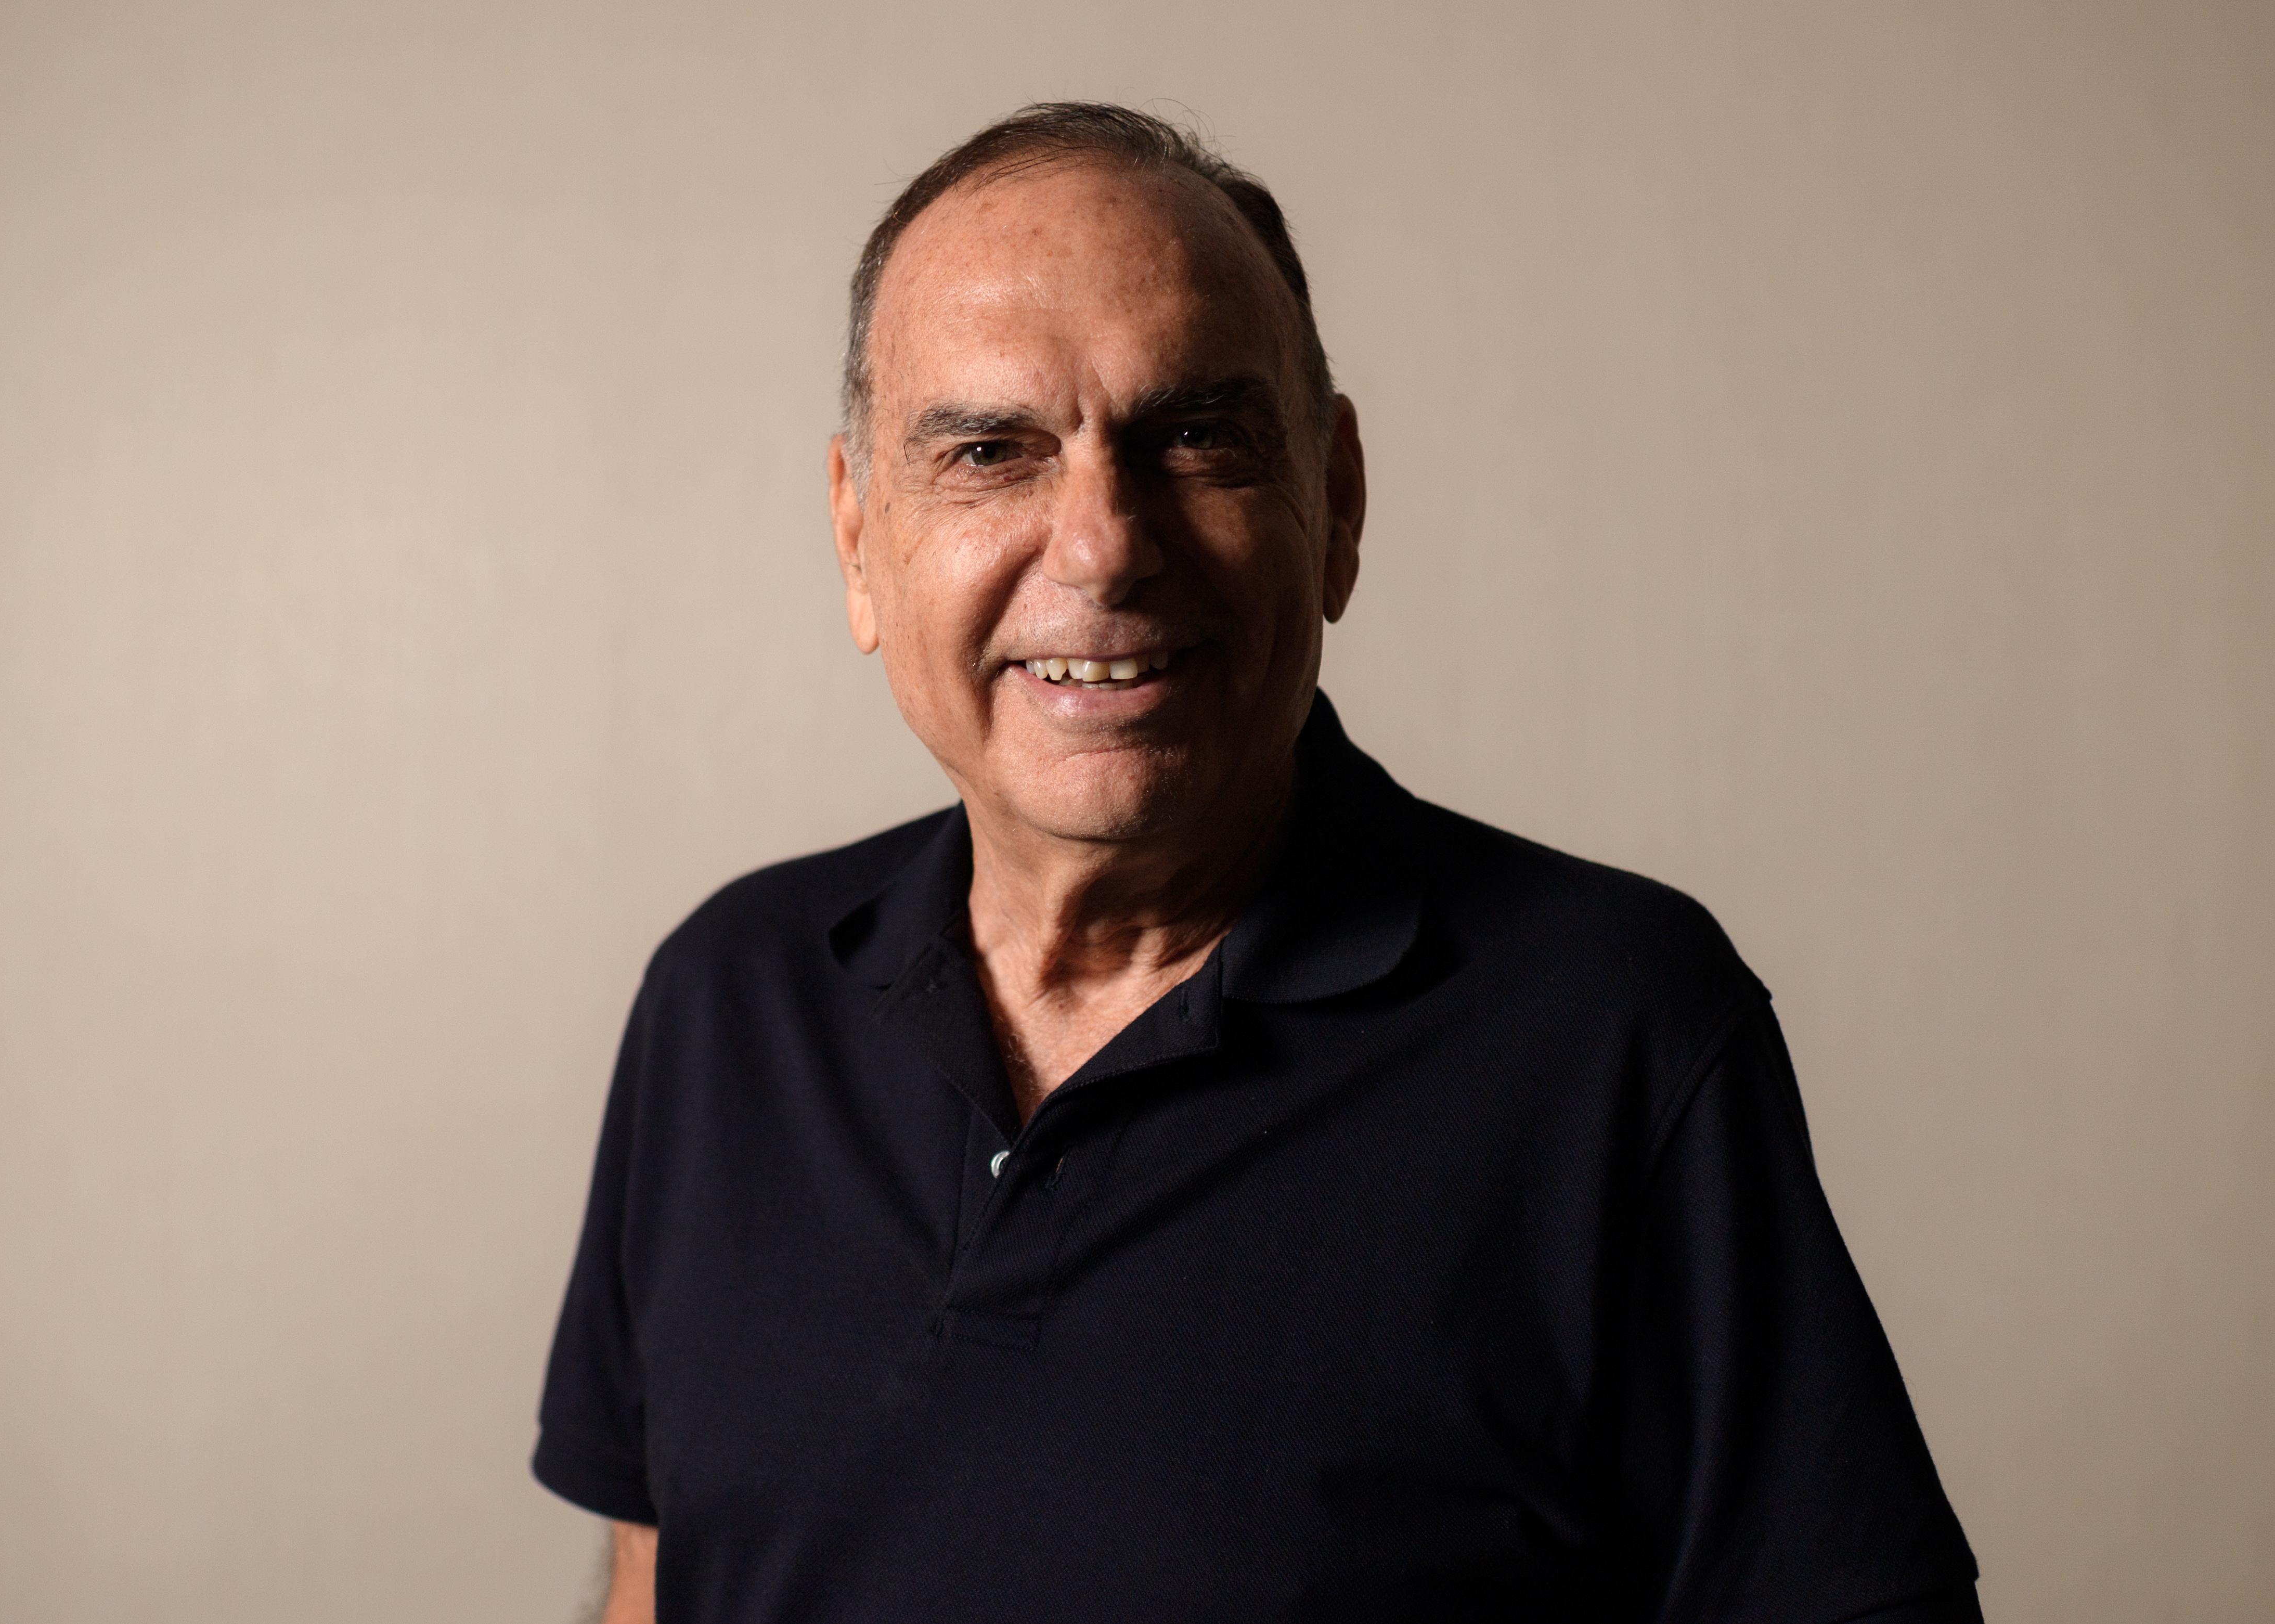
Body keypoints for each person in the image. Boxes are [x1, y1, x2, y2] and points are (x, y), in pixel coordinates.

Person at [533, 103, 1981, 1624]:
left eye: (1196, 438)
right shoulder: (725, 1003)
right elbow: (657, 1583)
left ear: (1335, 498)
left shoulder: (1614, 1030)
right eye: (987, 451)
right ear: (857, 537)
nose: (1101, 546)